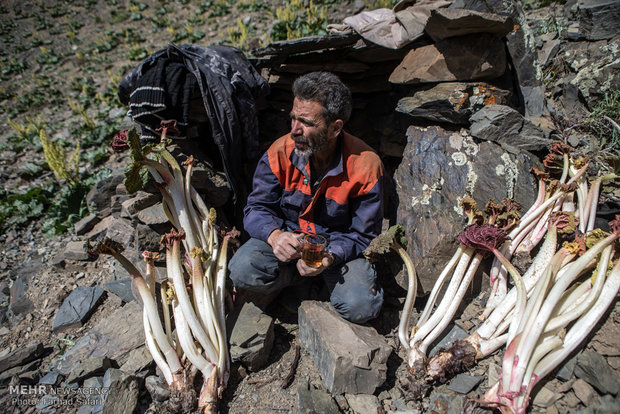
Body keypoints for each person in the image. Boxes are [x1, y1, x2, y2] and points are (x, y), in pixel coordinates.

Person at [228, 71, 384, 323]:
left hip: (336, 249)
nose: (294, 130)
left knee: (361, 306)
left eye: (307, 123)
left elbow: (364, 235)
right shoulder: (279, 151)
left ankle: (322, 283)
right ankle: (297, 279)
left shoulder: (366, 165)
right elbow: (256, 208)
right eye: (293, 119)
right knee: (243, 269)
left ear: (335, 128)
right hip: (291, 238)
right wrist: (275, 236)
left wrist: (330, 257)